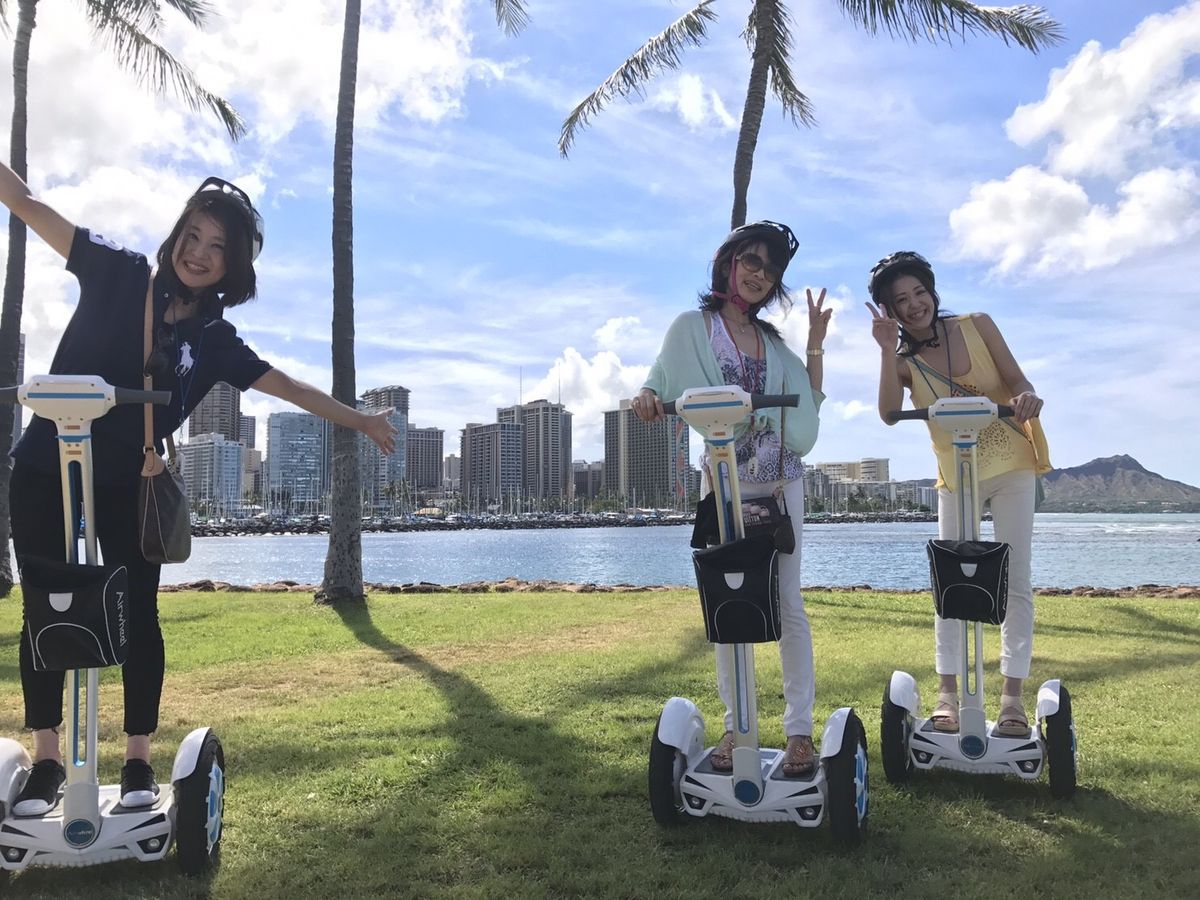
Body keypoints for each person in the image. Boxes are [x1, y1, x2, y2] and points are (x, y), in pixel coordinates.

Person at [2, 164, 398, 814]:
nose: (199, 253)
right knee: (47, 606)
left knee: (139, 615)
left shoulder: (214, 340)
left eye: (218, 246)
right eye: (194, 235)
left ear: (233, 266)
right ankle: (47, 760)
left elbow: (288, 387)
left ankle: (136, 760)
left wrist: (359, 420)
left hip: (131, 487)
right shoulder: (118, 273)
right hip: (48, 466)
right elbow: (28, 202)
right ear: (177, 233)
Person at [633, 220, 830, 776]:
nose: (759, 275)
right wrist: (647, 395)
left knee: (787, 602)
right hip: (722, 482)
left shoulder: (774, 343)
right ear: (728, 263)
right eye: (752, 261)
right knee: (729, 599)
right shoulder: (692, 327)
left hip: (781, 483)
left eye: (770, 269)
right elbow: (659, 378)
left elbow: (809, 397)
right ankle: (736, 726)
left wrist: (815, 342)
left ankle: (798, 732)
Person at [865, 250, 1051, 736]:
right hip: (956, 475)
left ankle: (1011, 701)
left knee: (1015, 581)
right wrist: (885, 349)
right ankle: (947, 696)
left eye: (919, 292)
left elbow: (1017, 380)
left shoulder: (977, 325)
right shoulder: (903, 362)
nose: (914, 305)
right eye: (901, 300)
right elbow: (888, 413)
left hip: (1011, 464)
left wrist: (1026, 397)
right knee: (950, 580)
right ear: (890, 309)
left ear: (932, 291)